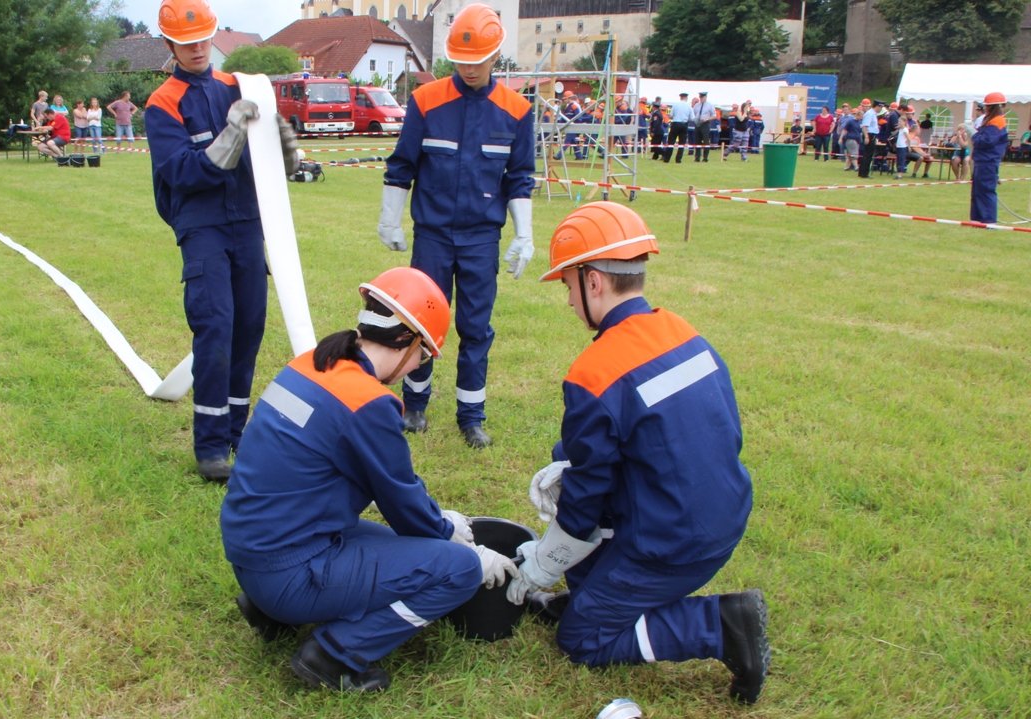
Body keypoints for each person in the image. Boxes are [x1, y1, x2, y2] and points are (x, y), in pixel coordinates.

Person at [506, 201, 769, 704]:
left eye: (567, 286)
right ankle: (597, 596)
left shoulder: (595, 372)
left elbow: (586, 498)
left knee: (581, 638)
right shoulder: (685, 334)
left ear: (594, 282)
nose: (568, 301)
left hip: (673, 544)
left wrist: (545, 562)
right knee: (572, 452)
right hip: (720, 512)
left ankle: (720, 625)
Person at [221, 267, 517, 692]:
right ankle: (332, 654)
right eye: (423, 355)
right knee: (457, 570)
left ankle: (273, 611)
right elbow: (402, 503)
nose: (417, 365)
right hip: (286, 571)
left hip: (255, 551)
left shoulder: (310, 364)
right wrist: (453, 537)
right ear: (410, 341)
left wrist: (440, 523)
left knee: (403, 547)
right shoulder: (368, 403)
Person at [144, 0, 300, 481]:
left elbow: (276, 170)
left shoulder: (238, 87)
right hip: (203, 227)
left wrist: (285, 147)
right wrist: (229, 137)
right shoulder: (162, 104)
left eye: (202, 39)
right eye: (185, 42)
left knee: (249, 328)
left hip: (249, 225)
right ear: (169, 44)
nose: (196, 49)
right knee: (215, 332)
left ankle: (238, 432)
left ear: (213, 36)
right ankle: (211, 447)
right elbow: (181, 173)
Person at [377, 2, 535, 450]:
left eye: (478, 60)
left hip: (481, 237)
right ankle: (415, 406)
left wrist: (523, 234)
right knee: (419, 323)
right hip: (432, 235)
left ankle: (471, 415)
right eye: (461, 61)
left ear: (496, 55)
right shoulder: (426, 101)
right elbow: (402, 164)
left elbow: (520, 177)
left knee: (475, 327)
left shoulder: (516, 111)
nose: (469, 68)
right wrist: (390, 219)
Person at [970, 91, 1009, 223]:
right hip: (983, 160)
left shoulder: (997, 122)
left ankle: (988, 220)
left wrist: (973, 134)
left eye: (986, 106)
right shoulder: (992, 121)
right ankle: (977, 219)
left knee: (985, 191)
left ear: (992, 107)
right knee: (978, 191)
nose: (984, 108)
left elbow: (986, 141)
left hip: (988, 161)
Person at [665, 92, 692, 162]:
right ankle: (678, 159)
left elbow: (671, 115)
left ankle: (667, 158)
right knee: (682, 143)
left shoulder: (675, 105)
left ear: (680, 97)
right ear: (686, 98)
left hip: (675, 123)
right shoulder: (689, 106)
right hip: (684, 124)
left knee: (671, 142)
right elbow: (692, 118)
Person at [693, 91, 715, 162]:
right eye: (700, 97)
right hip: (697, 124)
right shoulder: (696, 105)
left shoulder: (710, 105)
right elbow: (694, 114)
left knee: (706, 141)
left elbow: (714, 116)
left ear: (705, 97)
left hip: (705, 124)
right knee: (697, 141)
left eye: (702, 97)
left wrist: (707, 119)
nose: (701, 98)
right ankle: (697, 157)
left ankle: (705, 157)